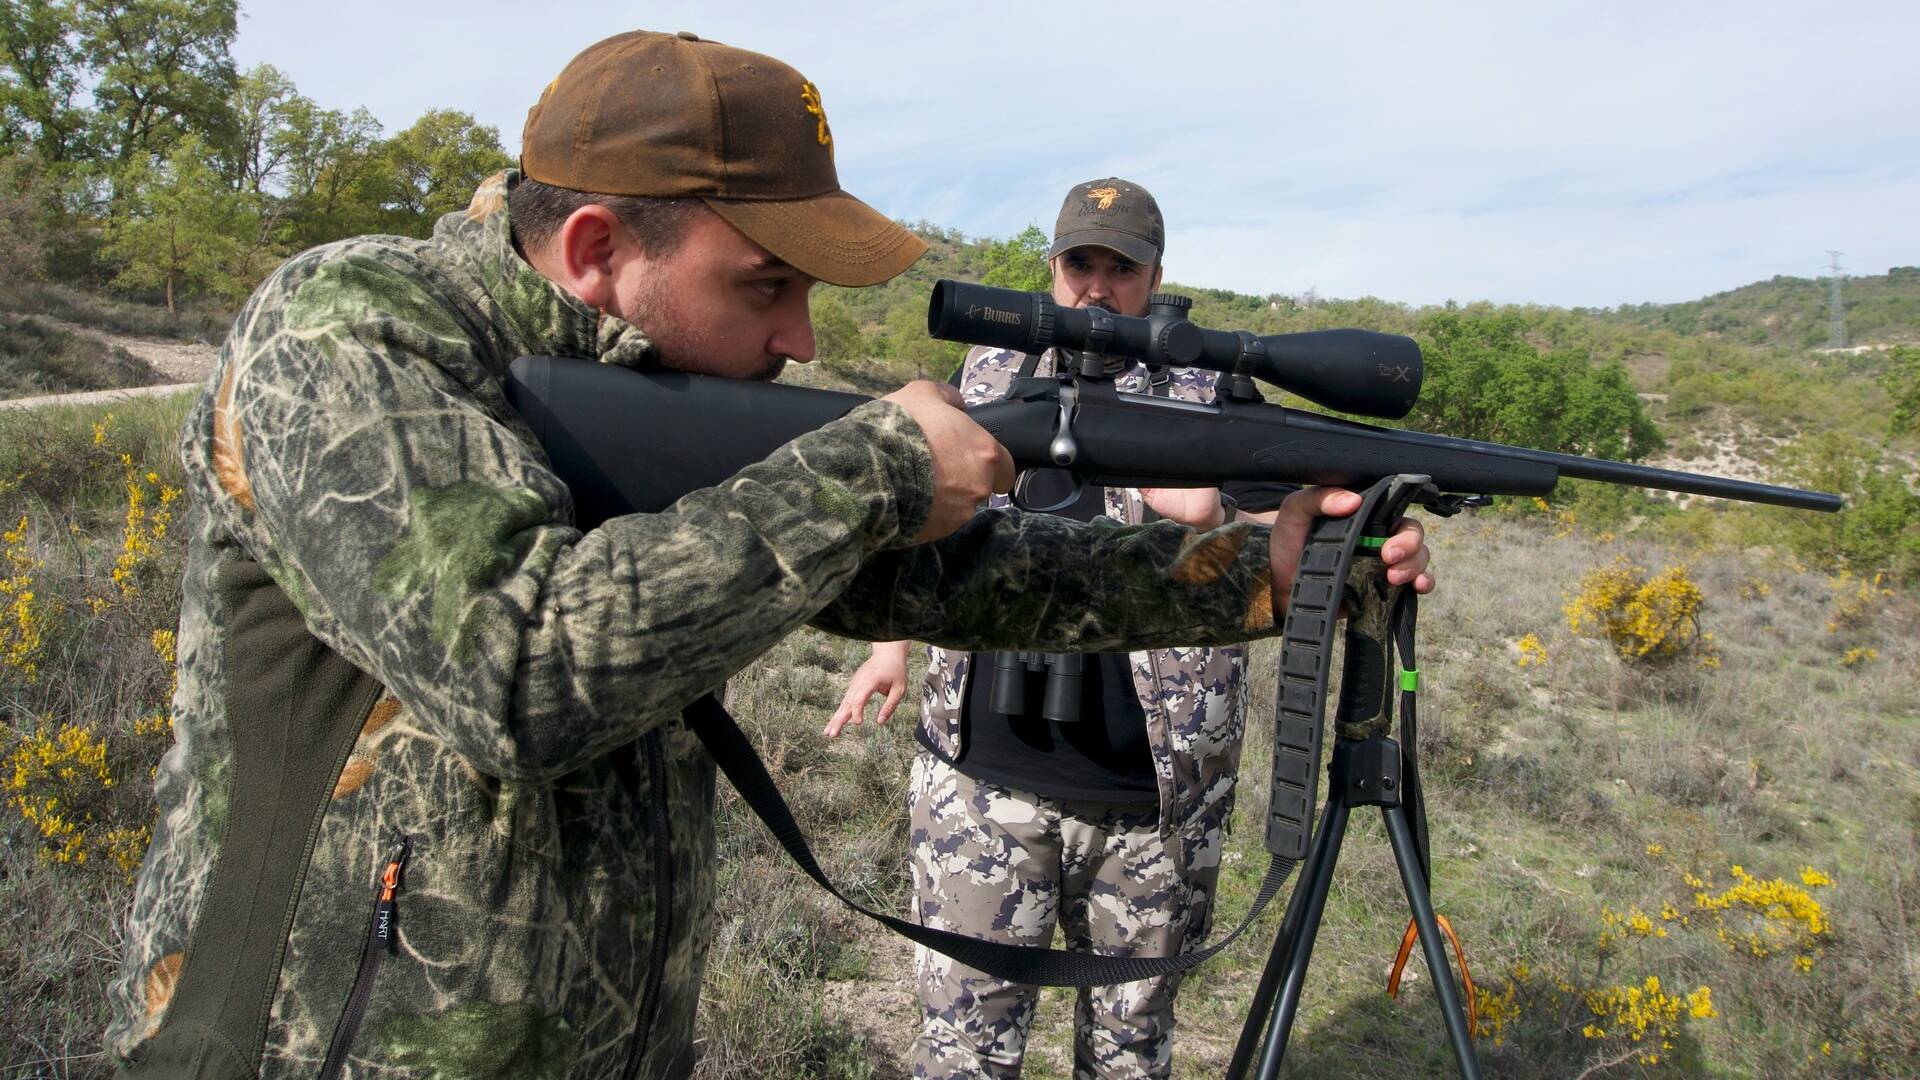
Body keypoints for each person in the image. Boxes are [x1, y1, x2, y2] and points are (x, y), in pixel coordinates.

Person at [104, 31, 1434, 1080]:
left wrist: (1262, 573)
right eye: (765, 285)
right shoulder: (349, 331)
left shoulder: (644, 384)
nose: (801, 336)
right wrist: (871, 466)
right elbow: (515, 668)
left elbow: (943, 578)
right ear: (593, 251)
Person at [825, 179, 1413, 1080]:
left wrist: (1359, 536)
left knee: (1131, 1056)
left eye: (1122, 270)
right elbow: (925, 528)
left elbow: (1284, 526)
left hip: (1154, 795)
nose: (1097, 291)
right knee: (961, 1057)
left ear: (1156, 278)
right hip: (979, 782)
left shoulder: (1214, 389)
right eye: (1080, 265)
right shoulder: (988, 372)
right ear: (1052, 269)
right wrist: (889, 644)